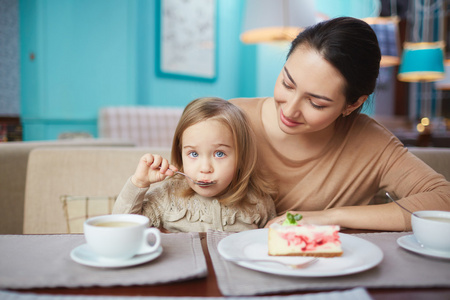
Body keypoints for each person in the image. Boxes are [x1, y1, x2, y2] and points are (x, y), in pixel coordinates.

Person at [230, 17, 450, 231]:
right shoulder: (230, 118)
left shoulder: (370, 143)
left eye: (316, 103)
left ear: (352, 105)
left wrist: (331, 216)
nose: (289, 110)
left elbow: (444, 199)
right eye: (288, 84)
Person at [112, 97, 277, 232]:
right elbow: (121, 228)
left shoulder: (259, 202)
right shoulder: (167, 196)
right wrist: (139, 183)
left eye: (219, 154)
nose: (205, 168)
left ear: (241, 157)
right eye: (193, 154)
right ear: (181, 153)